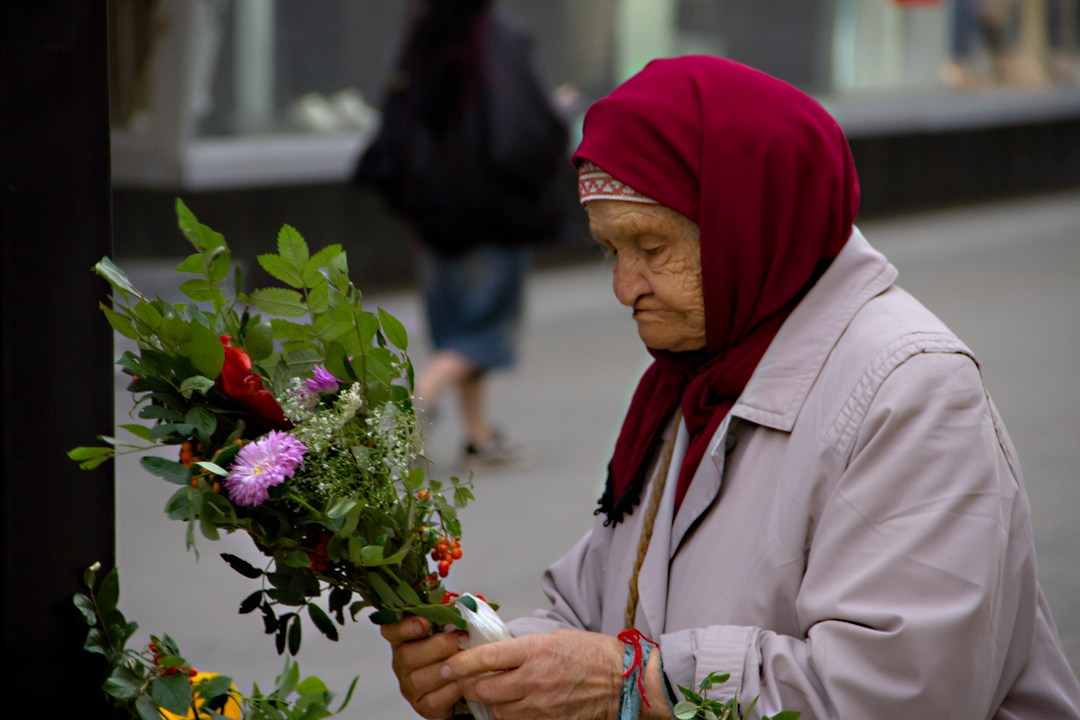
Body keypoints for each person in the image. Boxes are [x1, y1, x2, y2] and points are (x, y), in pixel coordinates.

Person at [380, 56, 1080, 719]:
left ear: (752, 222)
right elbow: (595, 611)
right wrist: (483, 669)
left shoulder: (913, 389)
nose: (625, 287)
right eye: (609, 250)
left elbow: (906, 692)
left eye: (651, 247)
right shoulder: (694, 375)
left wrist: (640, 683)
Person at [355, 0, 569, 468]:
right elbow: (524, 125)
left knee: (456, 330)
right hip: (491, 212)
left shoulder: (426, 32)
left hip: (431, 214)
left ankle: (479, 436)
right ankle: (415, 404)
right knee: (483, 333)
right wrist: (557, 114)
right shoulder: (500, 35)